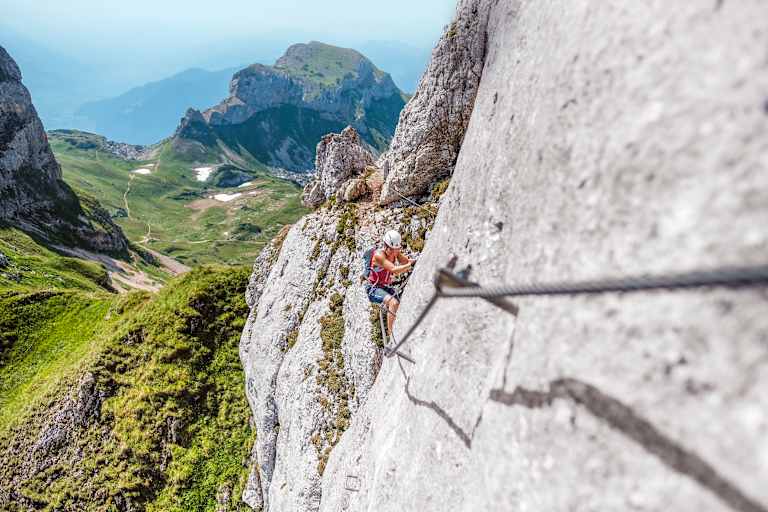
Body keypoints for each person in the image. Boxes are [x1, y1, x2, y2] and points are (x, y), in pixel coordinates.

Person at [366, 230, 415, 336]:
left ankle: (398, 329)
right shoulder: (379, 256)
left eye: (396, 249)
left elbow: (405, 261)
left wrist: (412, 261)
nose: (394, 252)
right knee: (393, 302)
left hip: (384, 287)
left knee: (399, 303)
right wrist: (408, 266)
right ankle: (391, 336)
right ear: (386, 246)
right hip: (373, 288)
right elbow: (394, 269)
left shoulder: (394, 252)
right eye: (392, 250)